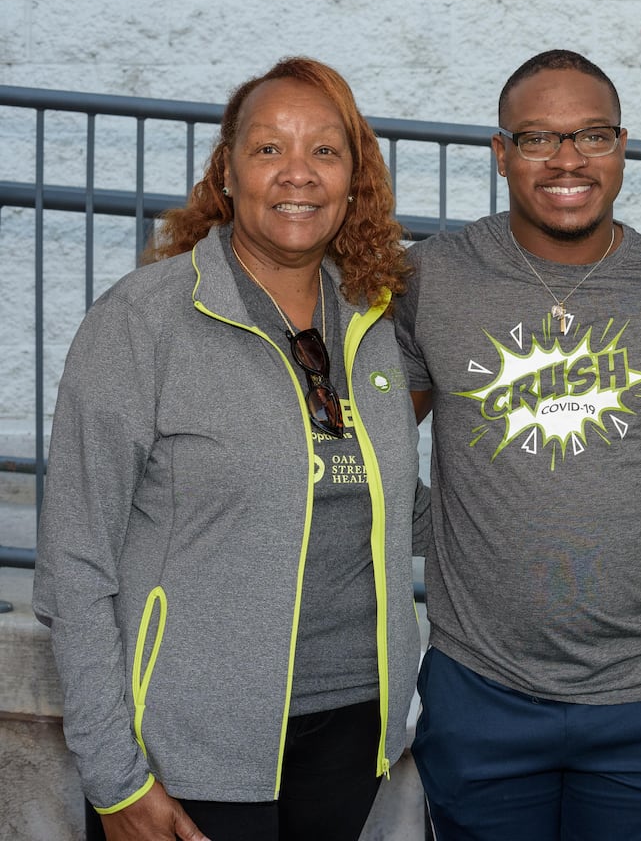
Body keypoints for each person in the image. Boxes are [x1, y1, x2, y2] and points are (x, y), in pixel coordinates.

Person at [33, 57, 426, 841]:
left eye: (324, 150)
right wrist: (116, 779)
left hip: (352, 731)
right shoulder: (141, 323)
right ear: (227, 171)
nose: (298, 175)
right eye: (268, 148)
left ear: (355, 179)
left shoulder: (375, 323)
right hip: (186, 750)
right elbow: (74, 563)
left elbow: (384, 499)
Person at [393, 49, 641, 841]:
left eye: (592, 136)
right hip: (481, 688)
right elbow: (376, 444)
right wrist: (439, 529)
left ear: (623, 147)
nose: (568, 160)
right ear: (501, 154)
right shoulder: (434, 279)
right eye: (538, 139)